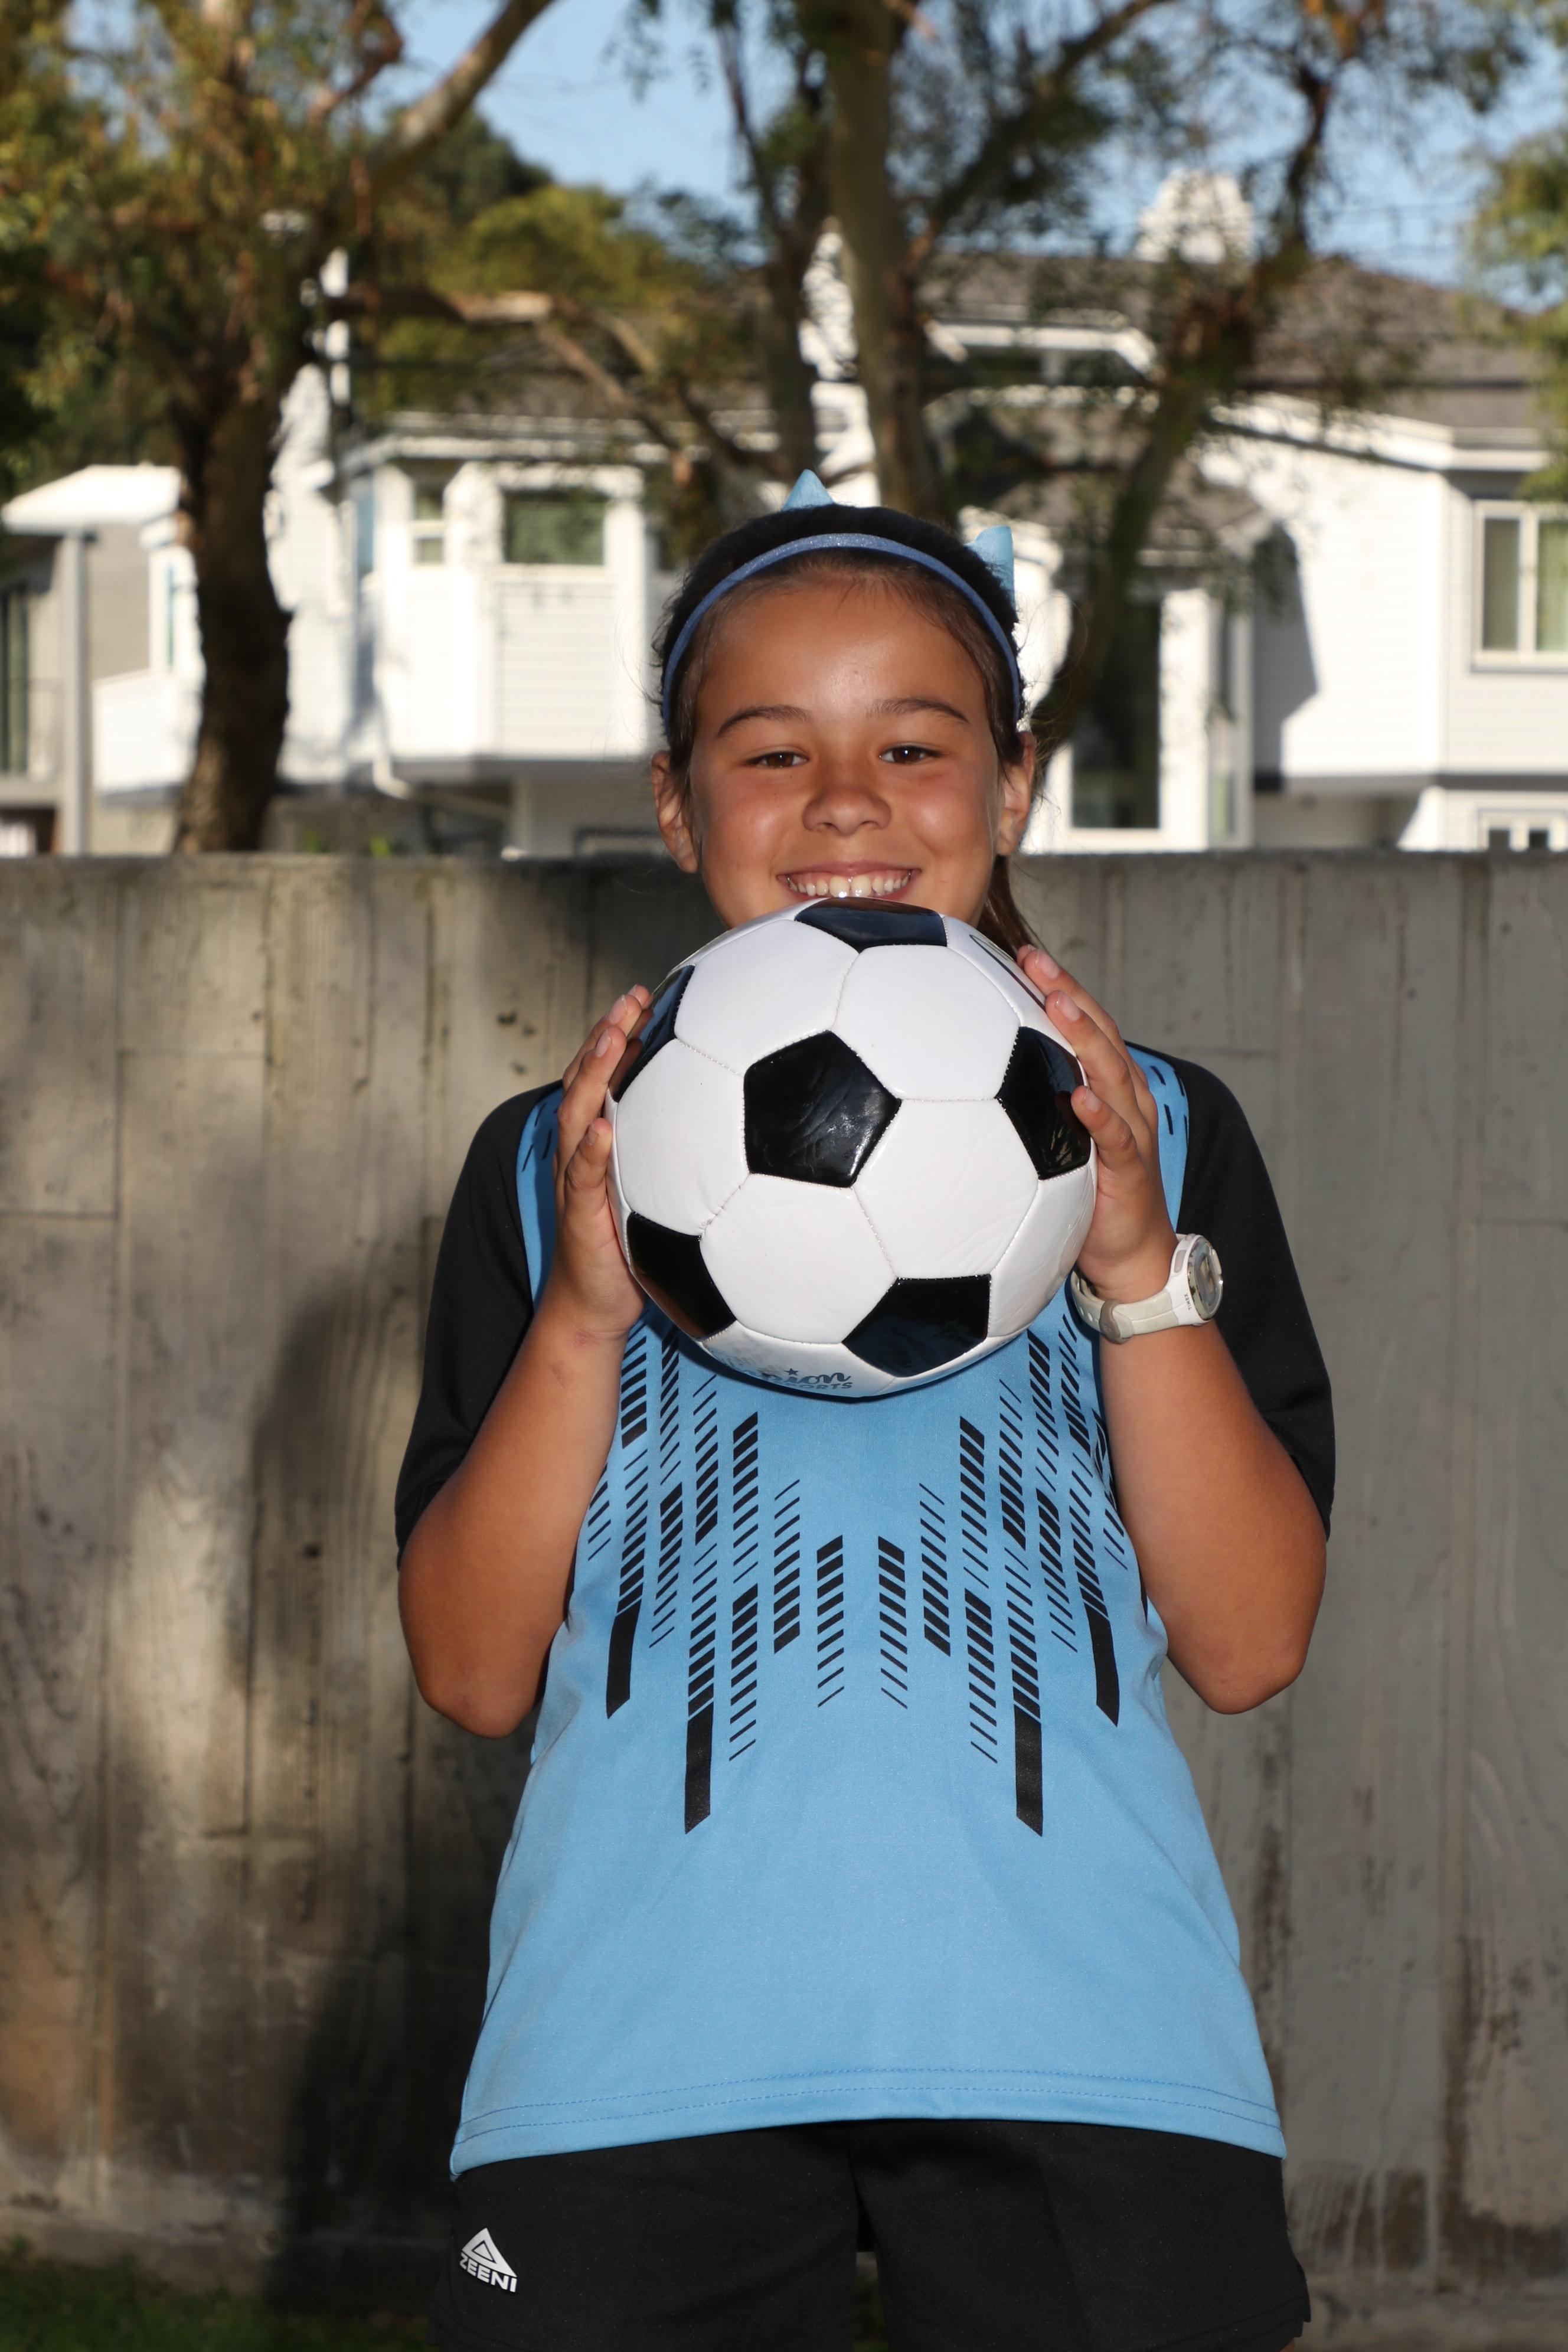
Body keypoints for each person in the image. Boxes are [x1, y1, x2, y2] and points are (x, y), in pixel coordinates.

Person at [395, 478, 1334, 2352]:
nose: (846, 802)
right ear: (676, 804)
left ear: (1013, 783)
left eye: (913, 744)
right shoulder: (547, 1162)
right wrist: (585, 1313)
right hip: (634, 2053)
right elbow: (474, 1673)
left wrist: (1135, 1261)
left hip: (1092, 2045)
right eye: (772, 753)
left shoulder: (1163, 1131)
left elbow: (1247, 1644)